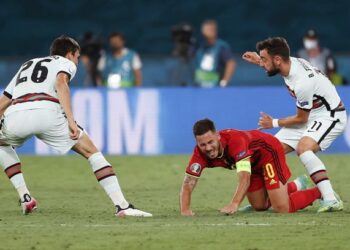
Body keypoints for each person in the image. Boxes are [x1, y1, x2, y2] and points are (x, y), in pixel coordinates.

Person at [0, 35, 151, 217]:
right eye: (77, 57)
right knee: (91, 152)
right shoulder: (66, 63)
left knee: (2, 144)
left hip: (16, 114)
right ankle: (122, 206)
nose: (77, 61)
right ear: (70, 54)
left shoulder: (27, 64)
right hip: (48, 113)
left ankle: (25, 197)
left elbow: (5, 100)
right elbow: (61, 83)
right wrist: (71, 121)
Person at [242, 37, 346, 212]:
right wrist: (259, 61)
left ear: (277, 60)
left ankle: (330, 199)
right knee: (268, 153)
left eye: (265, 59)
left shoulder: (302, 82)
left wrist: (273, 122)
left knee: (304, 148)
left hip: (330, 116)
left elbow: (301, 119)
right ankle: (268, 199)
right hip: (313, 115)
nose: (263, 63)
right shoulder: (288, 63)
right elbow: (273, 63)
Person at [180, 119, 322, 216]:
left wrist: (234, 204)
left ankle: (320, 191)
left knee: (281, 208)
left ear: (217, 136)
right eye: (202, 144)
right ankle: (296, 186)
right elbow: (189, 182)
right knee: (260, 206)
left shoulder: (235, 141)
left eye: (210, 142)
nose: (208, 148)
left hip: (268, 154)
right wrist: (185, 209)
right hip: (252, 164)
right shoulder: (199, 153)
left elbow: (244, 177)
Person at [194, 20, 236, 88]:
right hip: (199, 85)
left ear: (214, 31)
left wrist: (225, 81)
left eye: (208, 30)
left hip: (215, 86)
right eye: (204, 30)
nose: (204, 32)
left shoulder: (221, 47)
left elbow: (231, 63)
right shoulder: (199, 47)